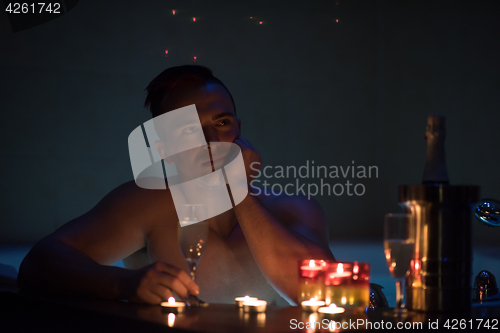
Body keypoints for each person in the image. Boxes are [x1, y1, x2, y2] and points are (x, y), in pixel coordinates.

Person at [17, 65, 334, 306]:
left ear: (239, 130)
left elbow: (323, 295)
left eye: (222, 123)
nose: (212, 141)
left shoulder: (293, 209)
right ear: (164, 149)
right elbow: (39, 262)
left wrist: (238, 191)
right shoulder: (148, 206)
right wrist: (123, 284)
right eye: (188, 131)